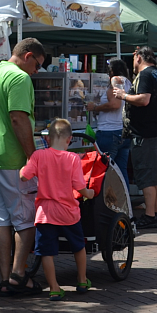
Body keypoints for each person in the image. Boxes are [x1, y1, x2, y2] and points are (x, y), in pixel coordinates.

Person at [0, 37, 45, 297]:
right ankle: (17, 275)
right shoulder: (19, 78)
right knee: (25, 220)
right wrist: (32, 156)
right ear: (27, 56)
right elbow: (18, 117)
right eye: (37, 64)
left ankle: (5, 280)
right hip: (12, 160)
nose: (37, 71)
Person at [19, 119, 95, 301]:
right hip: (68, 211)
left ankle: (54, 287)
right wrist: (90, 193)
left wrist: (24, 167)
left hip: (45, 212)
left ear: (48, 139)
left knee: (46, 251)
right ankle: (82, 280)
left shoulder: (39, 156)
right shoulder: (73, 159)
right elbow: (79, 186)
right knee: (79, 246)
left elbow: (24, 176)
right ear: (69, 140)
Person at [114, 47, 157, 229]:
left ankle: (150, 214)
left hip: (145, 134)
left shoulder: (145, 75)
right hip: (155, 131)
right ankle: (155, 212)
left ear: (138, 57)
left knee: (146, 176)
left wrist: (124, 95)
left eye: (133, 59)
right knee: (155, 175)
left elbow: (144, 99)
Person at [86, 58, 132, 185]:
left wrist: (95, 108)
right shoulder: (128, 82)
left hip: (109, 132)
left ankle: (105, 203)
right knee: (121, 171)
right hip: (123, 131)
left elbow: (115, 104)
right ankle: (124, 202)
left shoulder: (115, 80)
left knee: (104, 170)